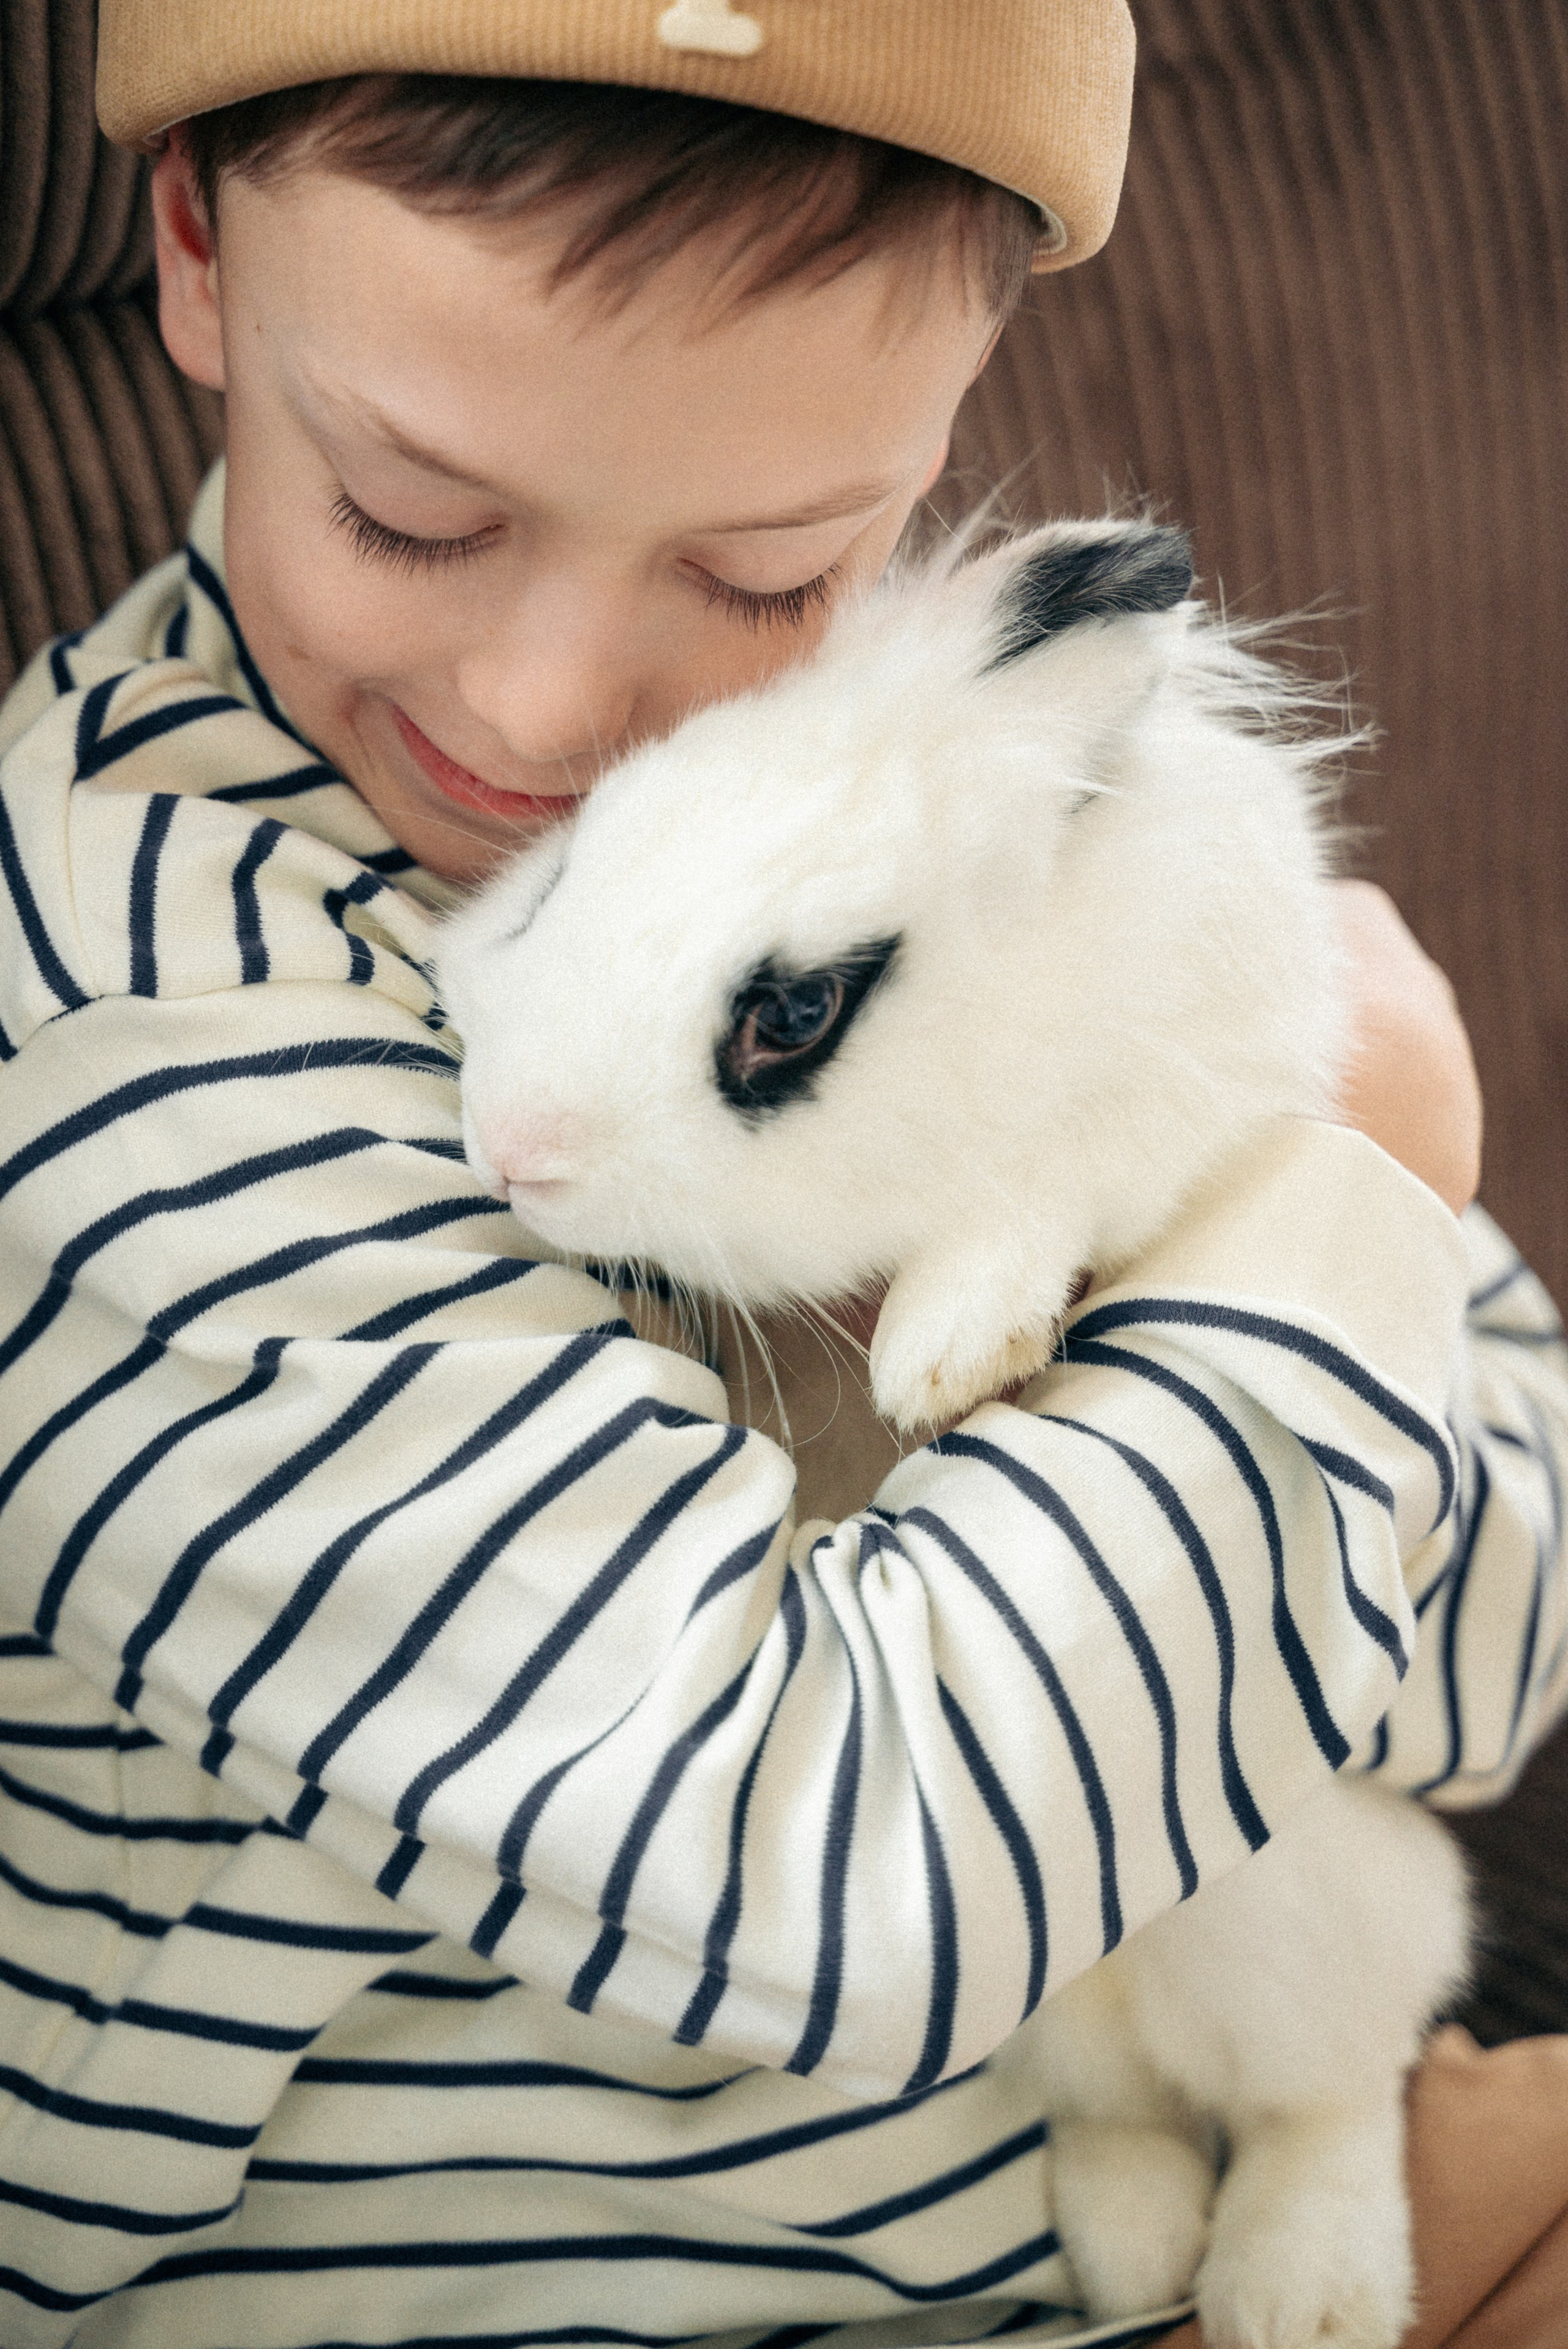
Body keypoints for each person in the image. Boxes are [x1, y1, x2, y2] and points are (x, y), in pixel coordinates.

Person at [0, 4, 1563, 2342]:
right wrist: (1363, 1192)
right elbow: (838, 1890)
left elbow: (1488, 1662)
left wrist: (1254, 1201)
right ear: (199, 252)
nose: (547, 715)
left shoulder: (974, 780)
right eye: (409, 510)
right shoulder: (133, 1040)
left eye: (768, 568)